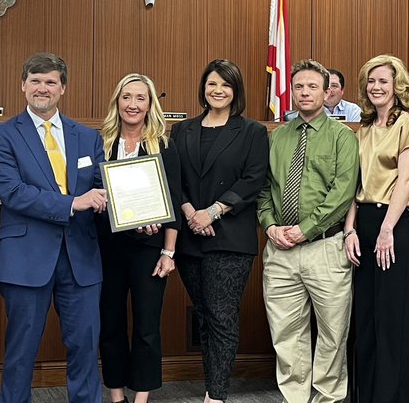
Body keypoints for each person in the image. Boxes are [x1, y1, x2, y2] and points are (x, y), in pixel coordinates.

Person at [0, 53, 107, 403]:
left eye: (50, 81)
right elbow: (13, 193)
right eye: (35, 81)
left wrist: (137, 214)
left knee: (85, 346)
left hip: (81, 258)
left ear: (63, 88)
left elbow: (103, 187)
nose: (42, 88)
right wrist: (73, 202)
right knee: (21, 351)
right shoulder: (2, 135)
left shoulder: (87, 137)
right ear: (23, 85)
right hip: (26, 259)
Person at [258, 59, 360, 403]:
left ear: (326, 91)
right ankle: (295, 398)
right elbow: (264, 189)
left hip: (324, 249)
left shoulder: (343, 137)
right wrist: (270, 226)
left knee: (333, 332)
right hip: (279, 251)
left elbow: (343, 193)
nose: (305, 92)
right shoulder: (277, 137)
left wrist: (304, 230)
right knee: (287, 333)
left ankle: (328, 398)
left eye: (313, 86)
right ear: (292, 91)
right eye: (299, 86)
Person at [171, 59, 269, 403]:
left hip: (229, 238)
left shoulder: (253, 132)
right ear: (203, 87)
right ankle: (211, 384)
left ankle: (216, 394)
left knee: (222, 316)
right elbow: (174, 179)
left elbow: (253, 179)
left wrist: (211, 213)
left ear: (236, 91)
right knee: (204, 313)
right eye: (212, 83)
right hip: (189, 237)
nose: (218, 90)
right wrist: (190, 213)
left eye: (225, 85)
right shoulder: (182, 130)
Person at [344, 54, 409, 402]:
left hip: (393, 225)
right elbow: (353, 185)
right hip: (363, 224)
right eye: (371, 81)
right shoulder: (362, 129)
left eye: (384, 81)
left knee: (391, 320)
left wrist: (387, 229)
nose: (376, 87)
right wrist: (350, 229)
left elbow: (406, 179)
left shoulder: (405, 123)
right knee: (365, 319)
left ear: (397, 87)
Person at [97, 73, 183, 403]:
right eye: (126, 97)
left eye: (140, 98)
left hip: (149, 249)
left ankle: (142, 397)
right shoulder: (101, 142)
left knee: (147, 326)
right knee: (111, 322)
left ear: (150, 106)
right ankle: (117, 394)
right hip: (108, 248)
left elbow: (173, 202)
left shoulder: (162, 145)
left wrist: (168, 252)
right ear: (117, 101)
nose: (132, 104)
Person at [284, 68, 361, 122]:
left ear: (342, 90)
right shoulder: (309, 110)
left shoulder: (353, 110)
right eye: (327, 86)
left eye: (334, 86)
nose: (330, 90)